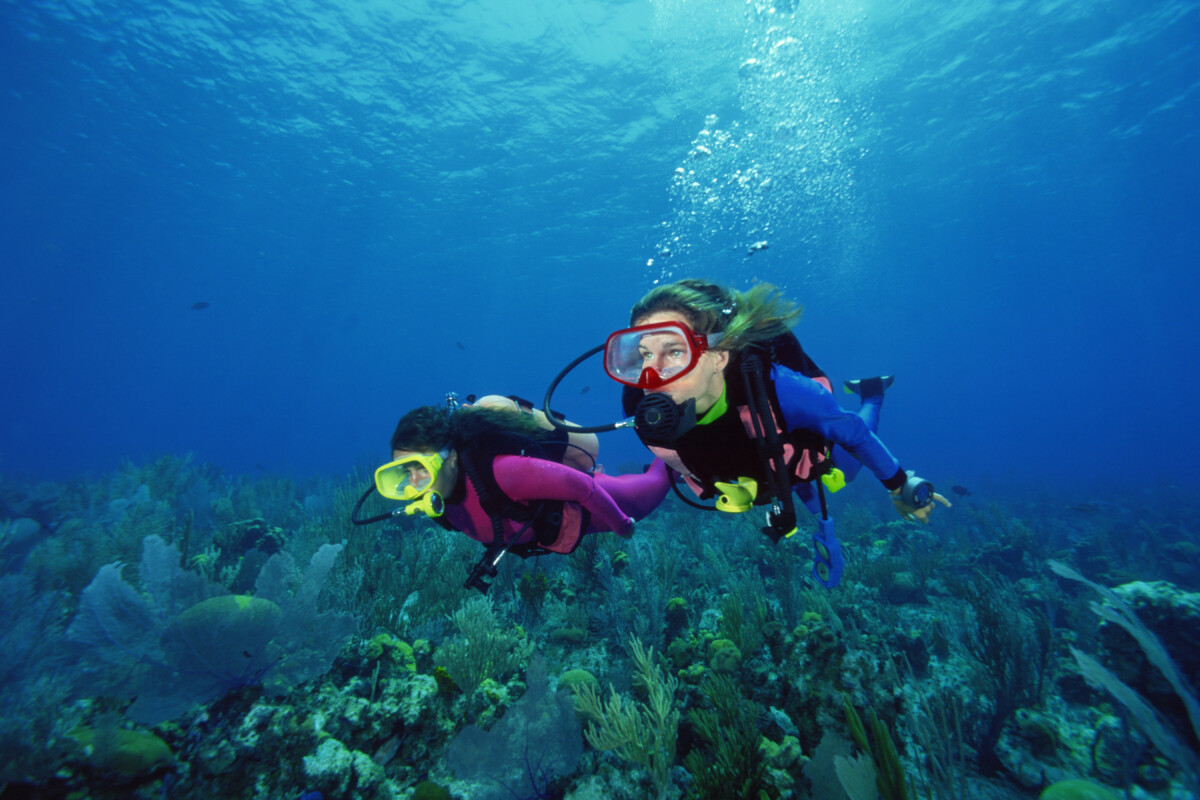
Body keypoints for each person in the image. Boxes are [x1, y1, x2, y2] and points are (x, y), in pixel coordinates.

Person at [601, 279, 949, 585]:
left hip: (797, 458)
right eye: (644, 354)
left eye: (674, 352)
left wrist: (901, 486)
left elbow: (854, 433)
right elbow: (675, 463)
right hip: (751, 475)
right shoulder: (641, 412)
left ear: (720, 356)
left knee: (849, 470)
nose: (650, 375)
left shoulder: (783, 391)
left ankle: (872, 394)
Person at [376, 396, 671, 592]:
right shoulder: (434, 497)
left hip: (587, 509)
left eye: (421, 468)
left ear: (451, 458)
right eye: (403, 473)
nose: (413, 484)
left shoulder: (503, 472)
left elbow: (584, 487)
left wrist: (621, 525)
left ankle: (679, 440)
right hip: (554, 511)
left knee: (657, 483)